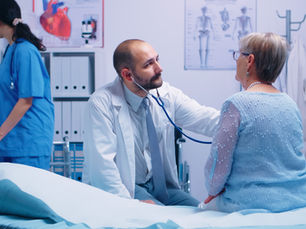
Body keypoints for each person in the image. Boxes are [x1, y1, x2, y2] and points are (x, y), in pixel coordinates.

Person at [82, 39, 220, 206]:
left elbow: (204, 118)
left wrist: (244, 119)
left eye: (157, 59)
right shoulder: (101, 103)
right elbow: (102, 168)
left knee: (202, 214)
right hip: (128, 187)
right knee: (162, 220)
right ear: (127, 75)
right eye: (148, 64)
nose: (159, 68)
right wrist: (130, 205)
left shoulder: (166, 94)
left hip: (161, 187)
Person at [203, 32, 306, 212]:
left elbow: (216, 171)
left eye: (238, 55)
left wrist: (214, 190)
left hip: (248, 204)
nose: (236, 60)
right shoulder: (291, 104)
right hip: (296, 202)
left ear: (249, 60)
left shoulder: (235, 104)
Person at [0, 0, 54, 170]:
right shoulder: (11, 50)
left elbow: (26, 101)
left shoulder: (25, 51)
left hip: (28, 143)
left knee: (28, 195)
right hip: (11, 141)